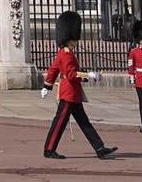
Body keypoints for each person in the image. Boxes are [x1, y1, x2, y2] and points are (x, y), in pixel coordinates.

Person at [42, 10, 117, 160]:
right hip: (68, 94)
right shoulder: (66, 54)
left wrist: (47, 85)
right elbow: (70, 75)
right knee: (60, 123)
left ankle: (99, 148)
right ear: (69, 38)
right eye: (74, 39)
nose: (76, 41)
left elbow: (53, 69)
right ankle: (49, 149)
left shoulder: (65, 52)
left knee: (84, 122)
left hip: (73, 94)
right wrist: (88, 76)